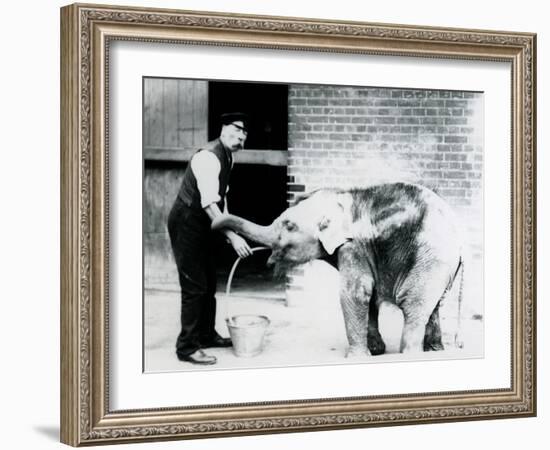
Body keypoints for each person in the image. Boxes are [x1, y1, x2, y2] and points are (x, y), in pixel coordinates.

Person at [167, 112, 253, 365]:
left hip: (205, 224)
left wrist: (231, 231)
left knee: (208, 282)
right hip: (187, 222)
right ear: (223, 128)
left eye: (245, 133)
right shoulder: (208, 157)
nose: (241, 136)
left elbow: (220, 202)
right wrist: (232, 236)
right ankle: (187, 347)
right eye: (237, 129)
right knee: (194, 286)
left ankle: (206, 335)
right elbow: (207, 203)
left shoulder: (228, 158)